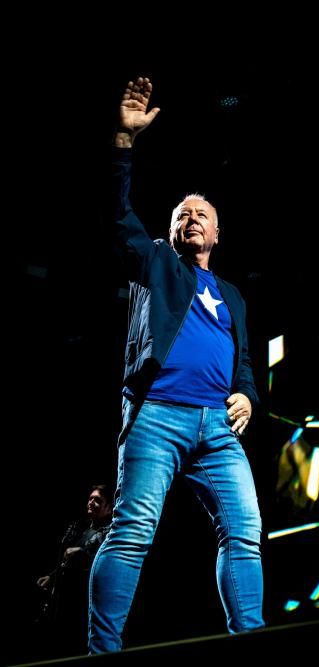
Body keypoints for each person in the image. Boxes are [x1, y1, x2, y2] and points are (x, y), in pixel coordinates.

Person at [88, 76, 264, 654]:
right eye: (181, 213)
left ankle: (252, 640)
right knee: (133, 530)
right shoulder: (156, 261)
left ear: (217, 232)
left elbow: (243, 363)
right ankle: (102, 653)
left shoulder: (233, 295)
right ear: (169, 230)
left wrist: (247, 395)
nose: (191, 218)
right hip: (157, 416)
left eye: (201, 214)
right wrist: (123, 140)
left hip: (218, 427)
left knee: (244, 531)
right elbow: (116, 214)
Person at [36, 484, 113, 656]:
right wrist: (52, 576)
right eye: (90, 498)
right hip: (63, 599)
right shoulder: (81, 529)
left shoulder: (109, 533)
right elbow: (67, 561)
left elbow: (103, 562)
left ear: (109, 508)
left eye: (97, 500)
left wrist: (83, 554)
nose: (91, 502)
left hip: (81, 602)